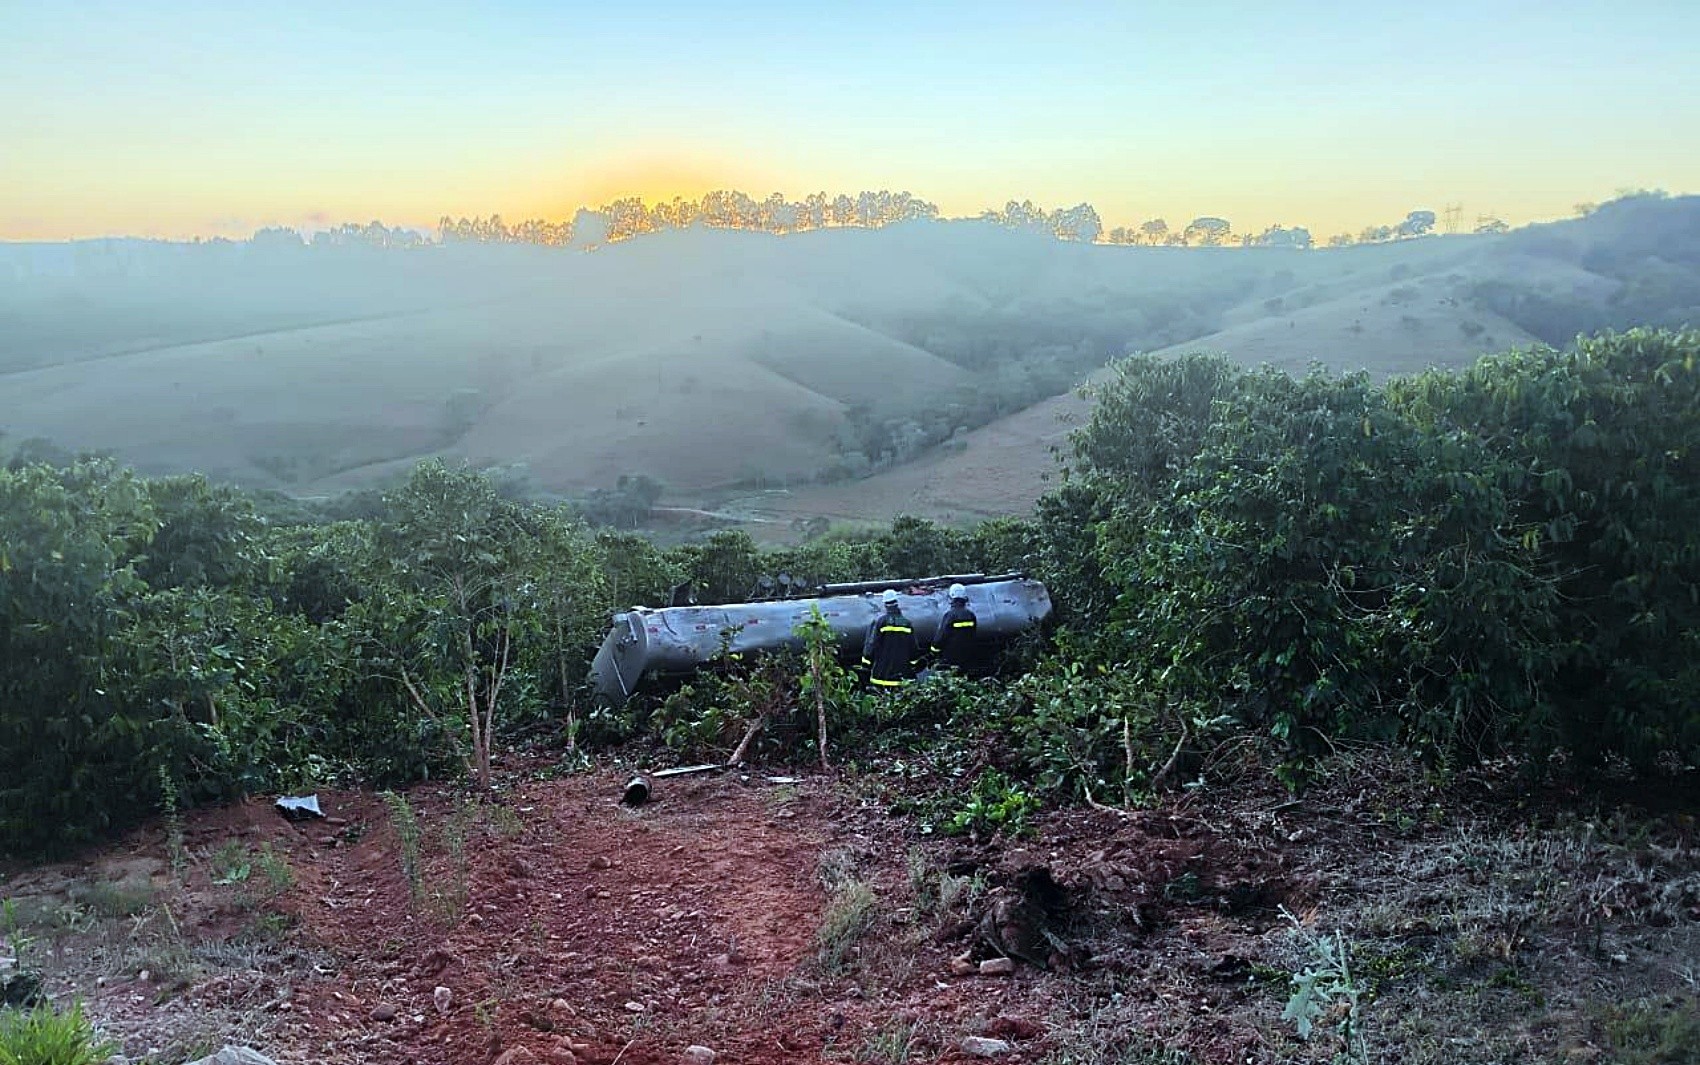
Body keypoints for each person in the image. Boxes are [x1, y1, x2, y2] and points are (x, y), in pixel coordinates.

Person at [862, 589, 920, 689]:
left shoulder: (880, 622)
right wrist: (914, 666)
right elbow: (914, 650)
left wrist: (866, 665)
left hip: (881, 678)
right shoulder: (907, 624)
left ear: (885, 604)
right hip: (903, 678)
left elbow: (871, 645)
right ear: (897, 603)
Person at [932, 582, 979, 671]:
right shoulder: (971, 615)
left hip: (950, 659)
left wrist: (933, 652)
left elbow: (940, 637)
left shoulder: (950, 615)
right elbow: (973, 635)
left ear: (951, 598)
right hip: (967, 658)